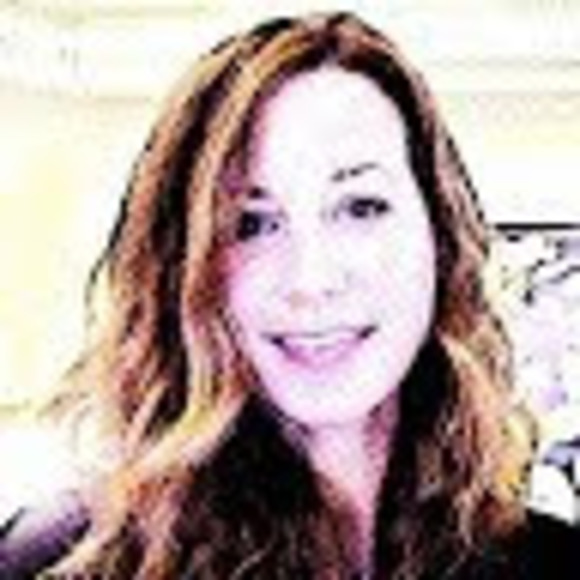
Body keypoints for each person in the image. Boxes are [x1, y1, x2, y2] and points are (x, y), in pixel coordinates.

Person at [9, 10, 579, 579]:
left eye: (360, 207)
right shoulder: (64, 560)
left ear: (440, 237)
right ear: (183, 265)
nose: (311, 280)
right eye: (250, 223)